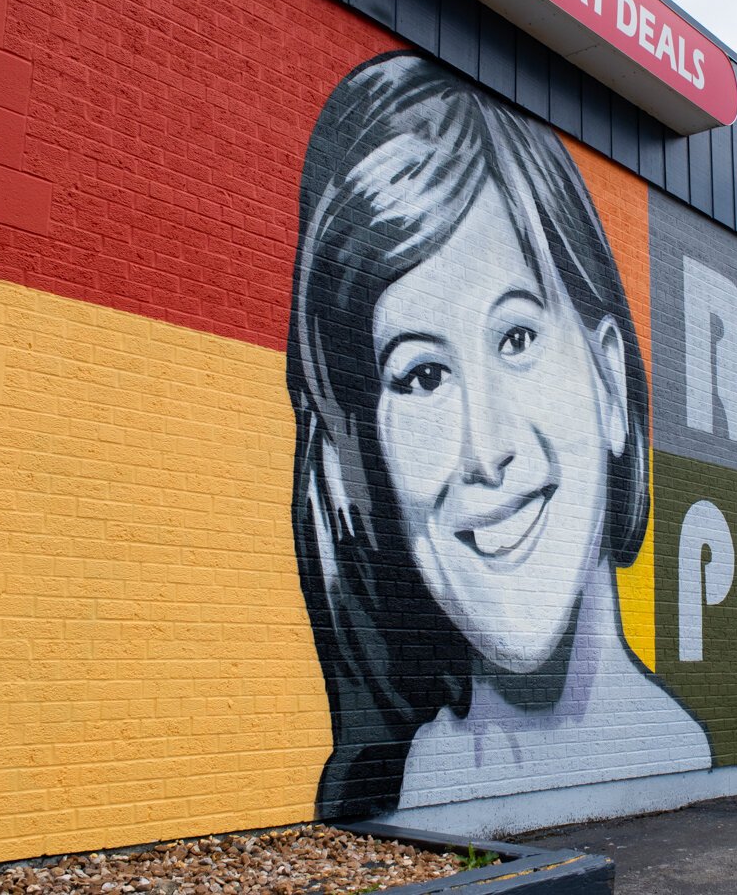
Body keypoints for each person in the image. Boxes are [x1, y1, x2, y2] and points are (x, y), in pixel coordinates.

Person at [288, 52, 710, 819]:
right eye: (422, 376)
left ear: (609, 381)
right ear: (366, 464)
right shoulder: (392, 801)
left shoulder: (692, 756)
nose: (486, 450)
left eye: (516, 337)